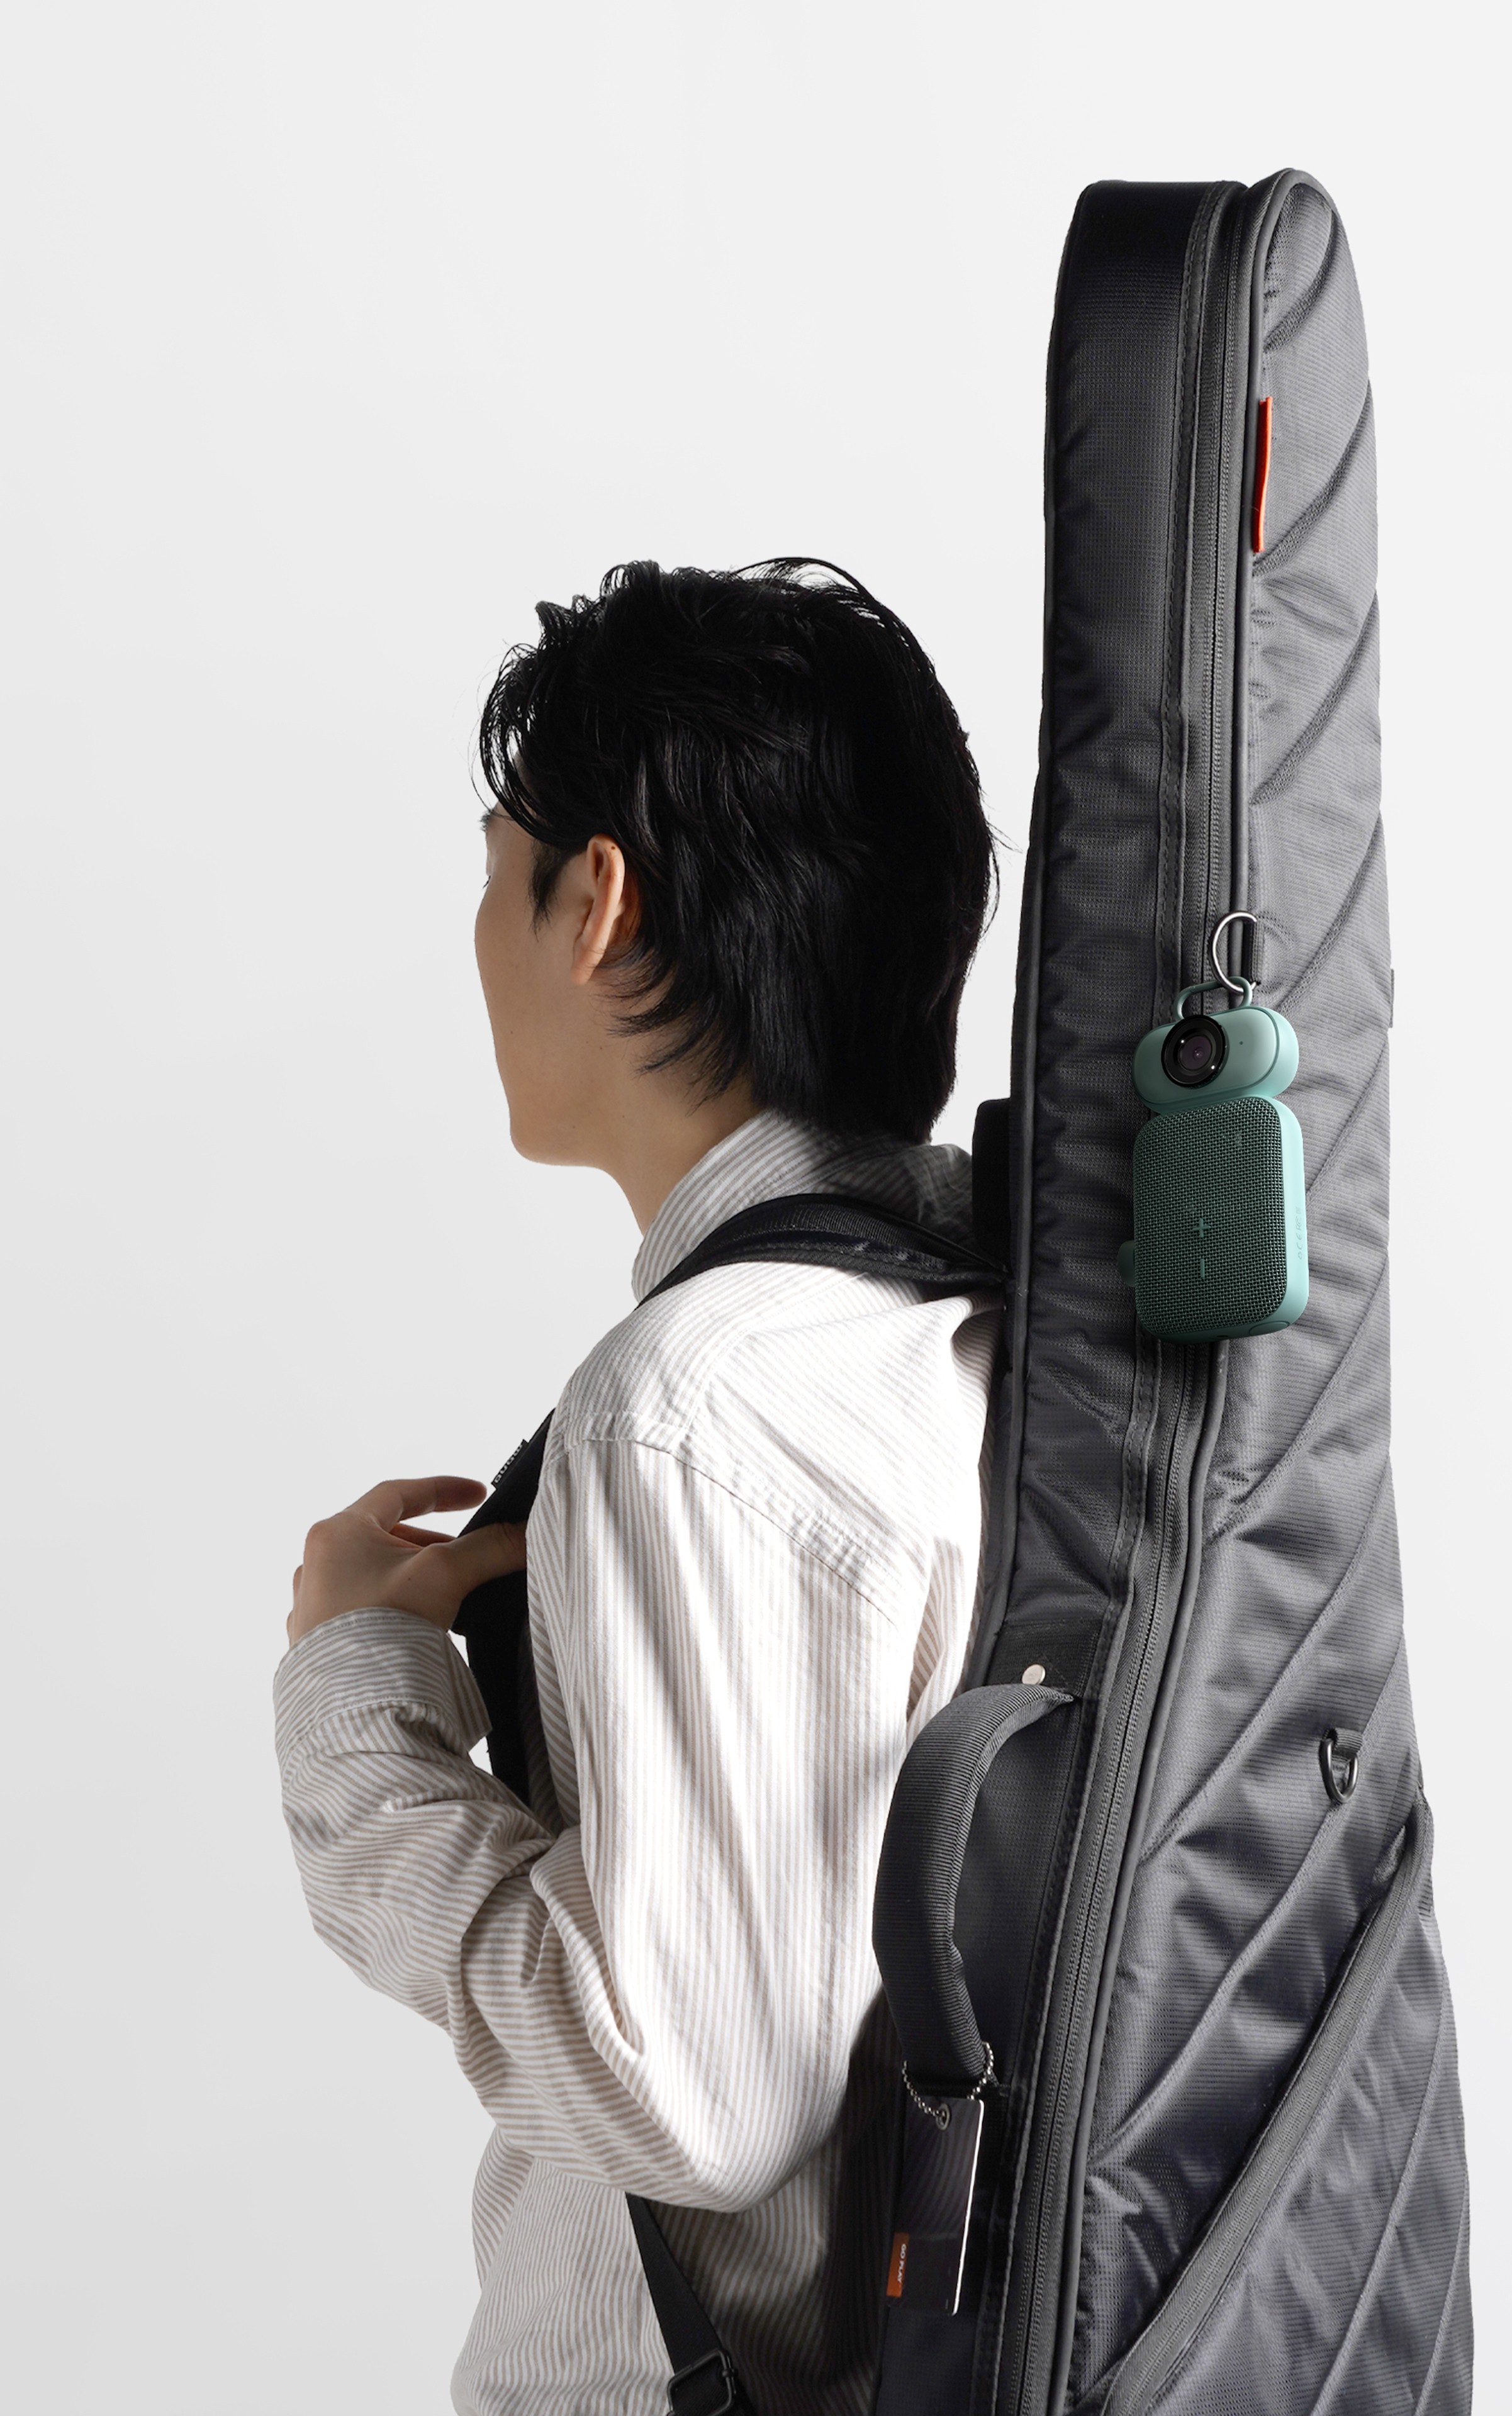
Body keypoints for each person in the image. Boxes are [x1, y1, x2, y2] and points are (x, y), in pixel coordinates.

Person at [276, 559, 1000, 2416]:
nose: (476, 940)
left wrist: (357, 1708)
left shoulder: (693, 1409)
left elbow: (693, 2091)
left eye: (497, 875)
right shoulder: (969, 1328)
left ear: (597, 906)